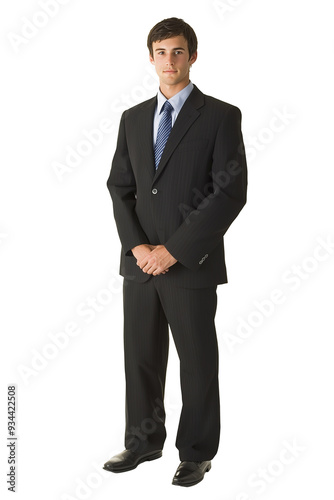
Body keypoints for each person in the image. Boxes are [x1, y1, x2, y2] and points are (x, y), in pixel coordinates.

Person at [103, 17, 248, 487]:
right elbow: (120, 188)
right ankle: (143, 442)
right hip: (140, 264)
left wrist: (175, 250)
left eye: (178, 51)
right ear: (150, 58)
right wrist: (140, 247)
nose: (170, 60)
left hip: (190, 264)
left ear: (193, 56)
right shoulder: (132, 118)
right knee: (141, 357)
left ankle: (197, 452)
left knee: (197, 361)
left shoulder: (222, 116)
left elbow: (229, 192)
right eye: (162, 52)